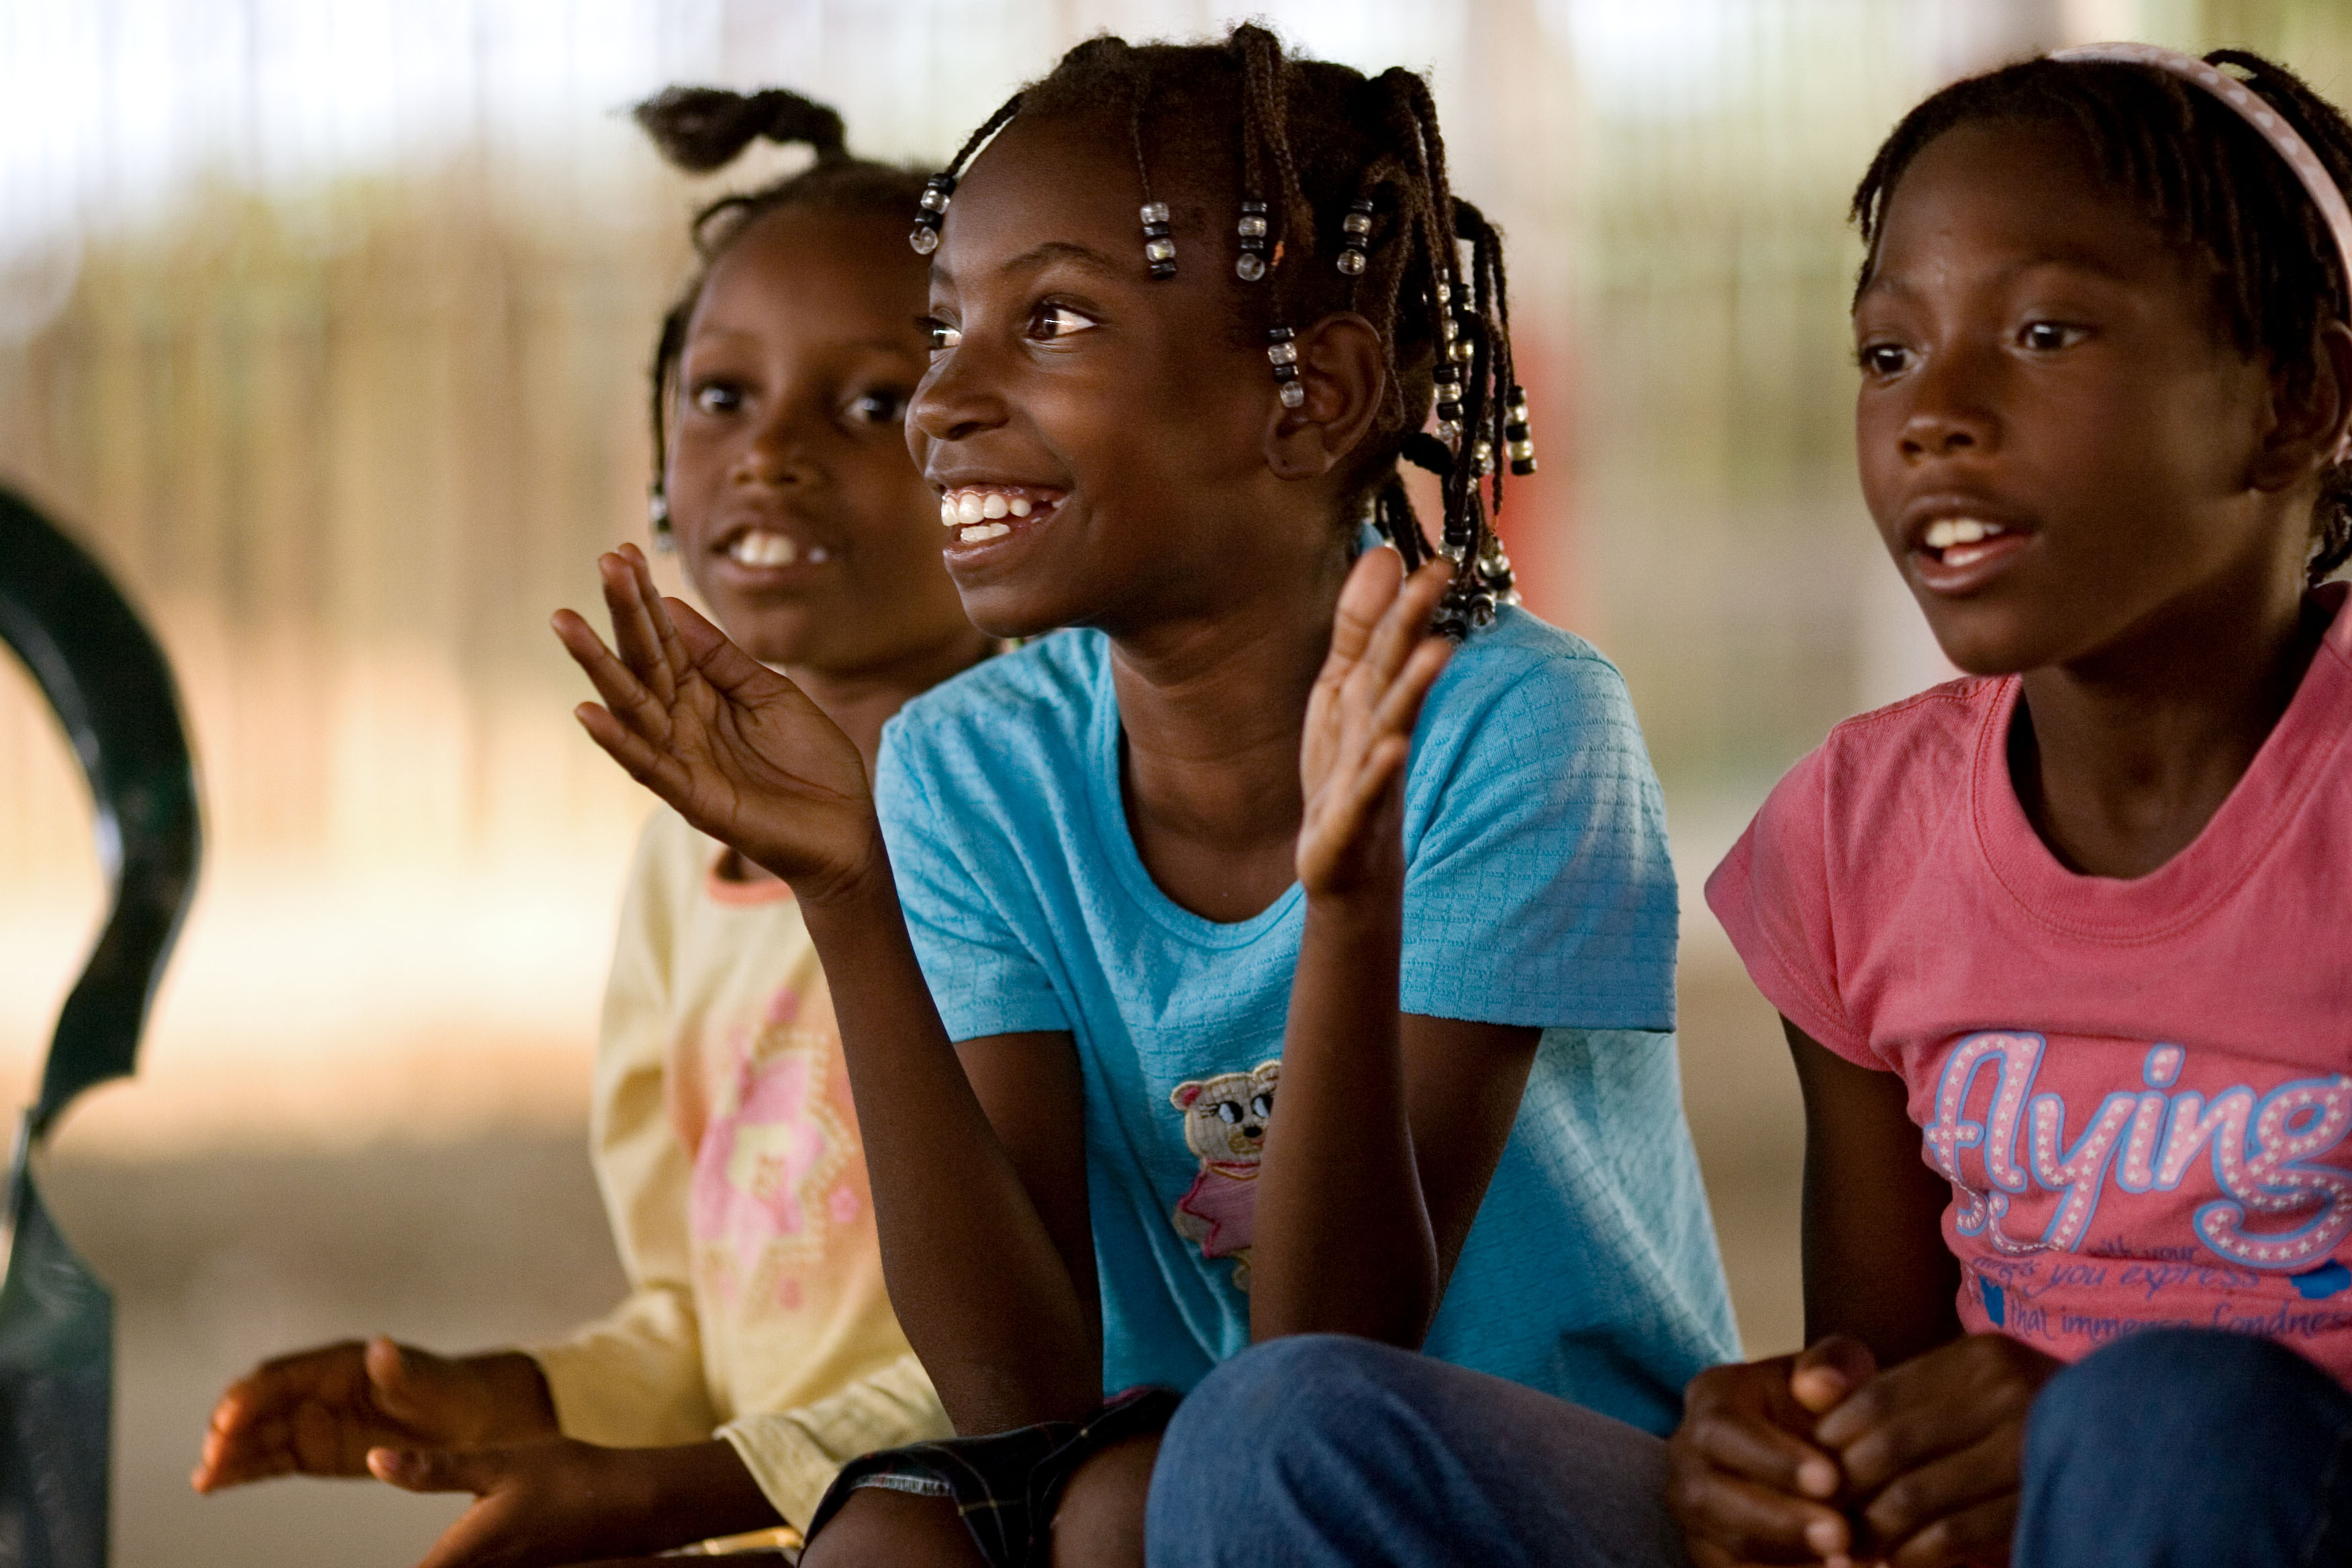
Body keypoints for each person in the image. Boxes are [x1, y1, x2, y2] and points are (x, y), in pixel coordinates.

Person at [1153, 40, 2352, 1568]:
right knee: (1280, 1430)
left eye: (2046, 333)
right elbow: (1876, 1382)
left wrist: (2087, 1420)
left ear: (2300, 397)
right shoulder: (1861, 836)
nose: (1937, 415)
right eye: (1889, 355)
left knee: (2168, 1421)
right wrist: (1779, 1450)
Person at [554, 23, 1735, 1568]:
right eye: (943, 329)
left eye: (1048, 320)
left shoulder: (1512, 724)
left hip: (1535, 1489)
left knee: (1191, 1467)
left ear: (1312, 394)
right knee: (905, 1536)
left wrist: (1349, 901)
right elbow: (1017, 1387)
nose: (939, 404)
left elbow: (1335, 1356)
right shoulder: (969, 766)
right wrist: (852, 900)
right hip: (1185, 1470)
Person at [190, 88, 993, 1566]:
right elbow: (701, 1324)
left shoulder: (1046, 832)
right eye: (721, 395)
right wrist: (507, 1393)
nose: (775, 452)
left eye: (875, 402)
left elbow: (1062, 1340)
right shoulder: (686, 869)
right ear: (659, 468)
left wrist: (693, 1487)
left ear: (1002, 464)